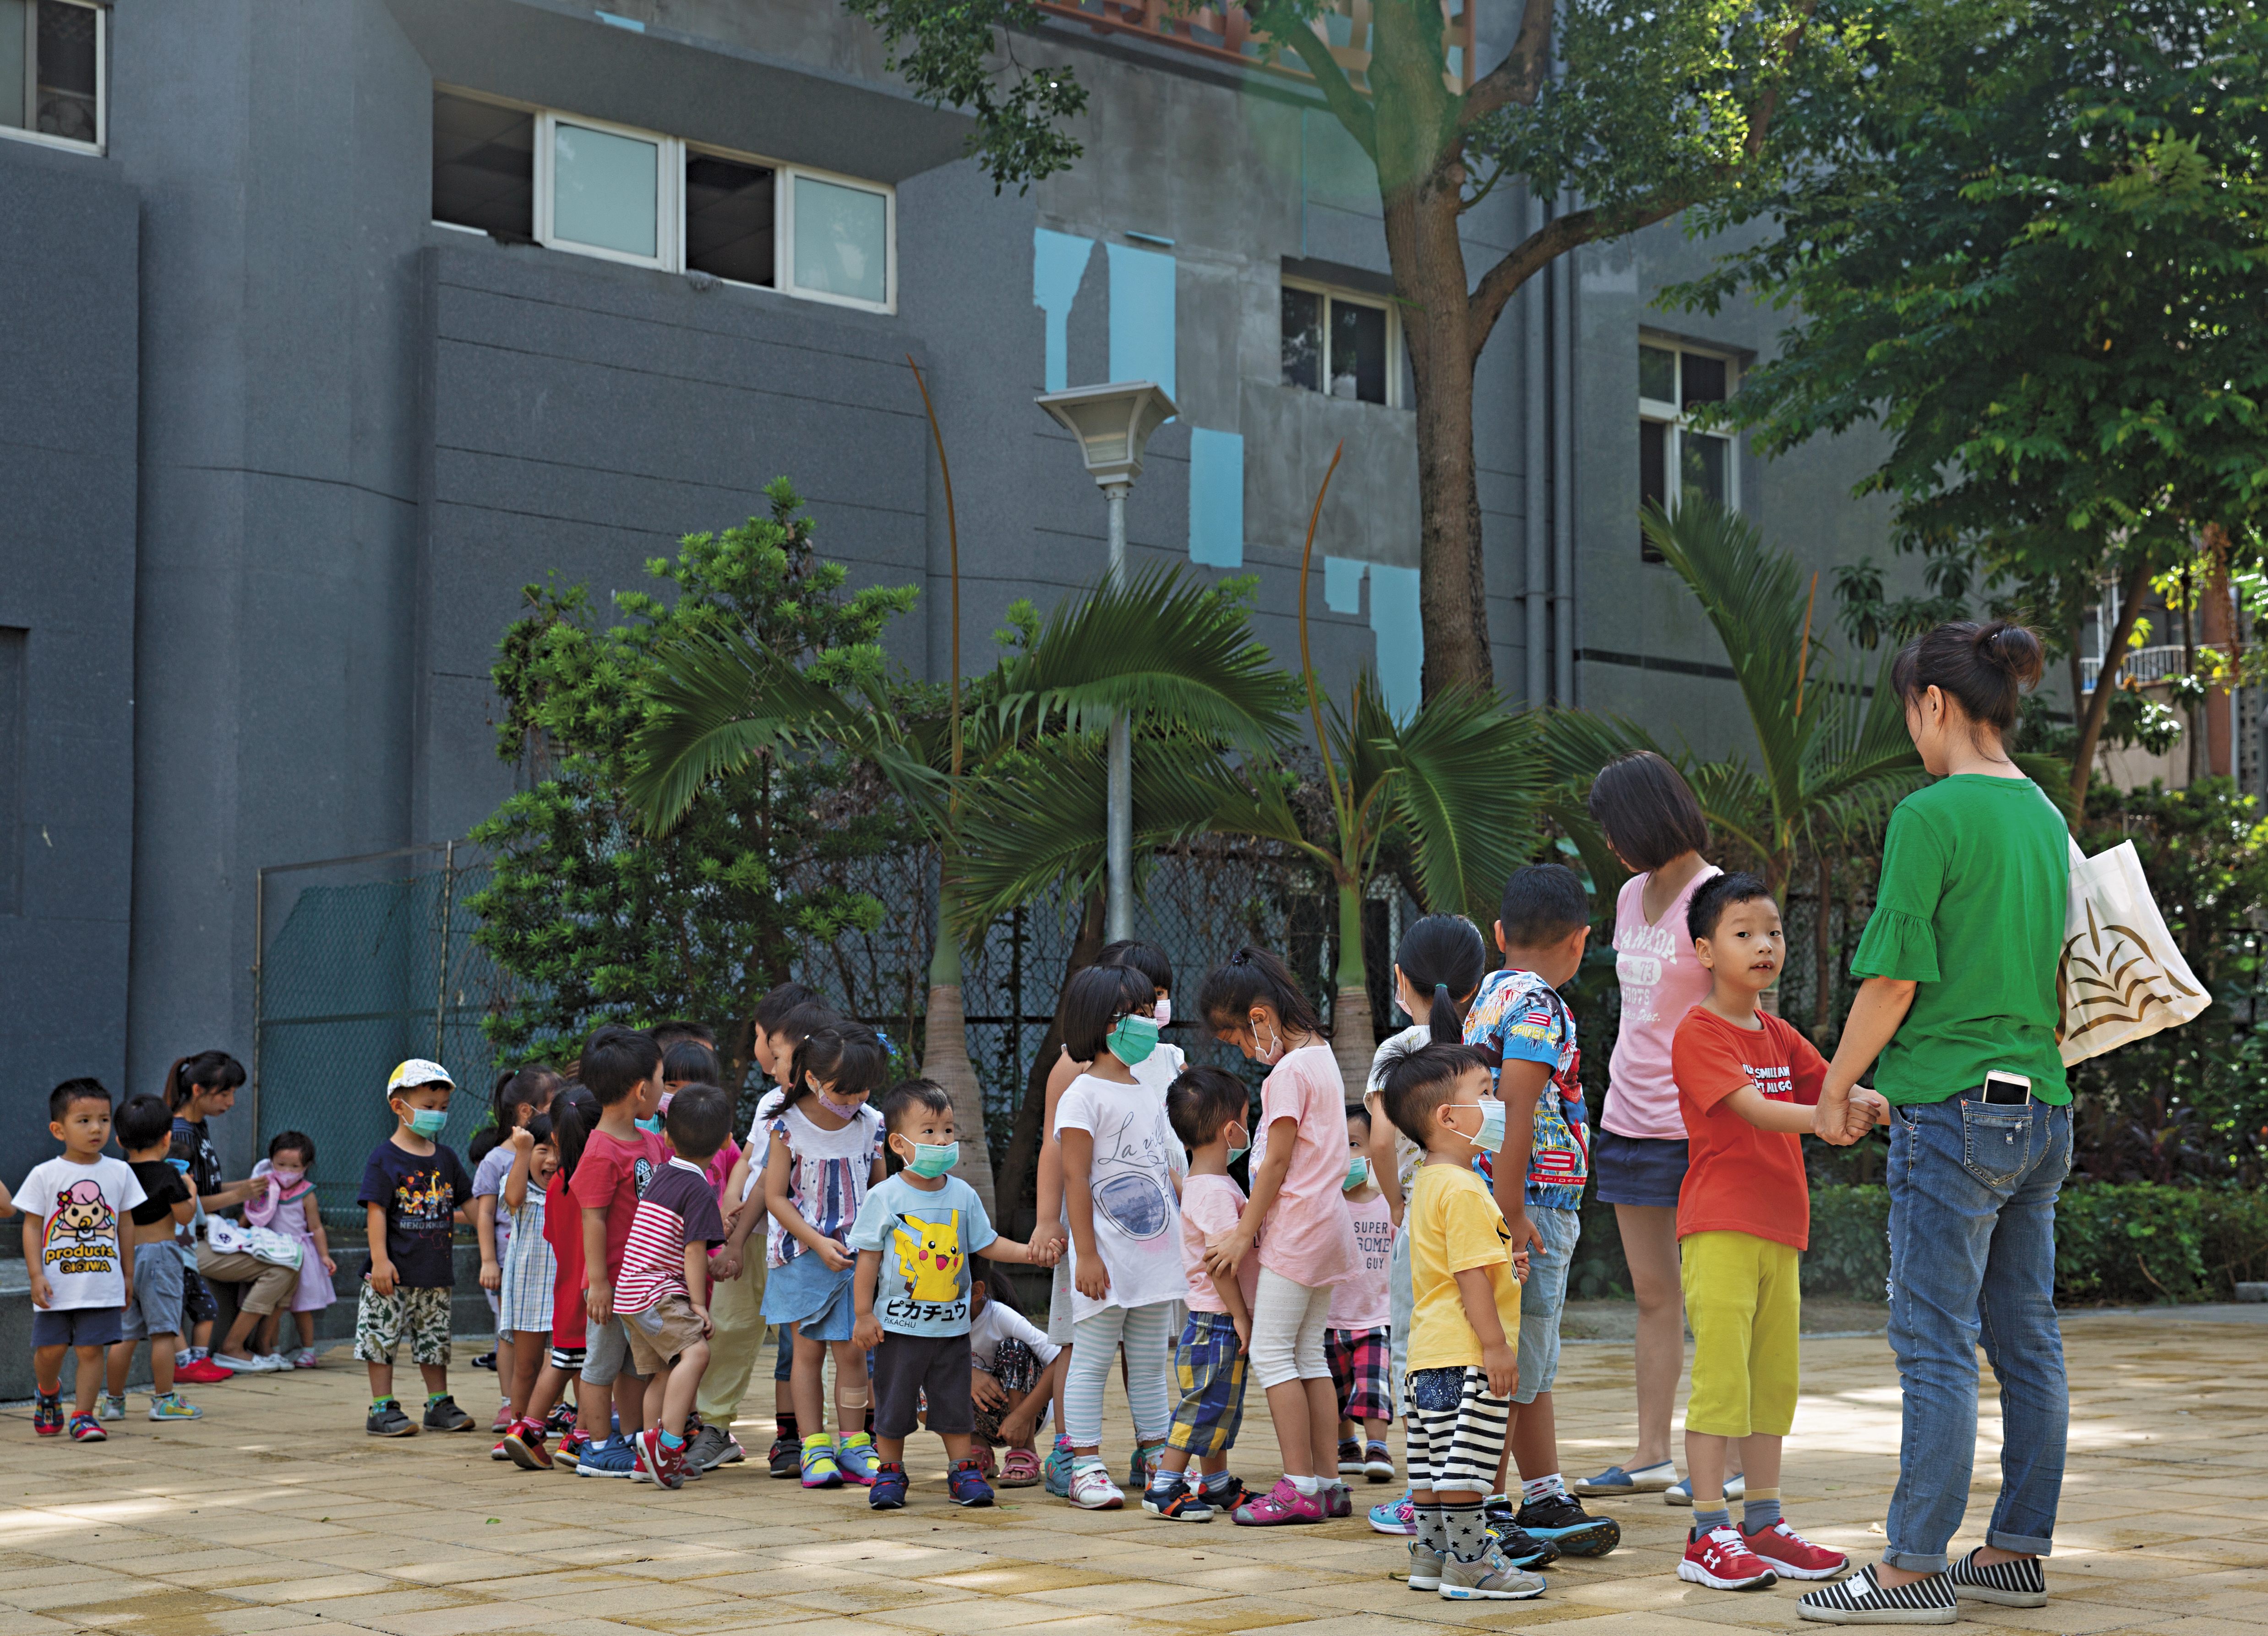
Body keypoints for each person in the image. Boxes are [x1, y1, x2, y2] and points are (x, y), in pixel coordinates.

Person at [1798, 623, 2072, 1625]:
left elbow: (1893, 980)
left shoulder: (1930, 814)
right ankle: (2014, 1552)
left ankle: (1912, 1570)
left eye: (1906, 711)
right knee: (2025, 1338)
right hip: (2041, 1107)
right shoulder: (2043, 814)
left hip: (1953, 1108)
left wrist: (1834, 1086)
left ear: (1932, 703)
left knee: (1934, 1343)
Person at [1668, 872, 1869, 1592]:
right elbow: (1753, 1107)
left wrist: (1879, 1102)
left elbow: (1833, 1087)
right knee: (1723, 1380)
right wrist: (1829, 1117)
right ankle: (1706, 1531)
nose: (1765, 945)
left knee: (1773, 1382)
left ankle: (1764, 1522)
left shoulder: (1779, 1033)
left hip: (1782, 1228)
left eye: (1774, 932)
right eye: (1744, 932)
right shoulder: (1699, 1032)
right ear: (1705, 950)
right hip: (1720, 1225)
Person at [1577, 750, 1724, 1504]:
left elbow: (1745, 1015)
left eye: (1613, 828)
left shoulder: (1718, 898)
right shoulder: (1631, 893)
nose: (1609, 844)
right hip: (1627, 1116)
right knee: (1653, 1294)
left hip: (1697, 1122)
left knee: (1718, 1296)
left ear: (1646, 817)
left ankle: (1731, 1459)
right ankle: (1650, 1454)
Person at [1375, 1037, 1543, 1602]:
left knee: (1430, 1467)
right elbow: (1470, 1277)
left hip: (1426, 1357)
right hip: (1467, 1354)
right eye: (1485, 1093)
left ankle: (1432, 1555)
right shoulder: (1466, 1188)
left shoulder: (1427, 1182)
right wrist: (1495, 1347)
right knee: (1467, 1469)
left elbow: (1455, 1265)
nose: (1496, 1104)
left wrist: (1507, 1269)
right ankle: (1472, 1564)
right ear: (1448, 1117)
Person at [1198, 945, 1359, 1526]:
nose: (1245, 1050)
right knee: (1307, 1351)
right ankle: (1327, 1483)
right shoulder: (1320, 1055)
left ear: (1260, 1017)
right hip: (1327, 1226)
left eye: (1239, 1038)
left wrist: (1244, 1233)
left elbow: (1275, 1162)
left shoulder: (1287, 1073)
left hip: (1297, 1230)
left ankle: (1298, 1487)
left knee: (1270, 1352)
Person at [849, 1078, 1058, 1510]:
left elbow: (988, 1243)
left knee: (953, 1402)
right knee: (893, 1402)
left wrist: (1031, 1252)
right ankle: (890, 1472)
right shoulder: (884, 1197)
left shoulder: (963, 1194)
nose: (943, 1139)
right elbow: (868, 1260)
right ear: (899, 1143)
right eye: (929, 1131)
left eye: (948, 1129)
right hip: (898, 1328)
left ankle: (962, 1470)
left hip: (951, 1330)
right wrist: (863, 1314)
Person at [1035, 940, 1185, 1498]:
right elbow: (1076, 1178)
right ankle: (1084, 1463)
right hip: (1105, 1258)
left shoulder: (1146, 1088)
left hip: (1155, 1257)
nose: (1146, 1022)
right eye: (1133, 1014)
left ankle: (1156, 1455)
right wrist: (1087, 1254)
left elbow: (1167, 1165)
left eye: (1148, 1011)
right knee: (1092, 1359)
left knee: (1148, 1363)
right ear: (1098, 1022)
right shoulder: (1081, 1094)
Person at [1359, 914, 1490, 1541]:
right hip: (1469, 1209)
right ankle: (1467, 1489)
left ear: (1399, 978)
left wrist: (1394, 1201)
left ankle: (1422, 1494)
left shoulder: (1398, 1052)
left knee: (1417, 1354)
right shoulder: (1476, 1051)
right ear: (1477, 984)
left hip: (1420, 1221)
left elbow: (1382, 1142)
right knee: (1468, 1351)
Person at [759, 1021, 889, 1488]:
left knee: (853, 1353)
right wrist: (816, 1241)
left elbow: (880, 1189)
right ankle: (814, 1446)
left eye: (863, 1089)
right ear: (812, 1078)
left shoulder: (872, 1123)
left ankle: (855, 1445)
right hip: (801, 1257)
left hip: (856, 1260)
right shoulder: (786, 1126)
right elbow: (774, 1196)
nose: (854, 1099)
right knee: (807, 1353)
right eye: (844, 1090)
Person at [714, 988, 835, 1477]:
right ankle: (755, 1432)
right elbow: (749, 1159)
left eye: (764, 1039)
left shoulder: (829, 1112)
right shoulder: (772, 1102)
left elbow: (771, 1183)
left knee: (803, 1344)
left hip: (798, 1243)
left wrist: (736, 1236)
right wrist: (730, 1195)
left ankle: (809, 1437)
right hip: (764, 1238)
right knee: (758, 1334)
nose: (761, 1049)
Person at [1143, 1064, 1258, 1522]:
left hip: (1216, 1318)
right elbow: (1220, 1262)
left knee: (1220, 1405)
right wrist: (1241, 1316)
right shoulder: (1212, 1190)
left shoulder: (1210, 1183)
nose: (1248, 1129)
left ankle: (1216, 1482)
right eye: (1246, 1120)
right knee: (1204, 1403)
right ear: (1230, 1130)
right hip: (1217, 1319)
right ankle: (1165, 1485)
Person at [618, 1083, 734, 1489]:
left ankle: (646, 1459)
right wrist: (699, 1304)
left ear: (667, 1137)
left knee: (664, 1373)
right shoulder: (700, 1188)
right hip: (657, 1291)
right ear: (726, 1141)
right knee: (697, 1352)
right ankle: (667, 1447)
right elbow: (693, 1250)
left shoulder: (663, 1174)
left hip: (632, 1293)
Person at [356, 1059, 477, 1436]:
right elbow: (376, 1211)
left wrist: (496, 1227)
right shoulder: (384, 1158)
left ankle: (438, 1403)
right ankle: (381, 1407)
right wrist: (380, 1260)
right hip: (390, 1274)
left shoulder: (447, 1158)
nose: (437, 1114)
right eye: (428, 1106)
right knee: (381, 1338)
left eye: (443, 1107)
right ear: (399, 1106)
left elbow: (470, 1204)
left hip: (435, 1271)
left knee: (435, 1341)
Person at [569, 1026, 671, 1477]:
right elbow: (592, 1219)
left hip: (643, 1282)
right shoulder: (600, 1150)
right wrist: (599, 1282)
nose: (665, 1090)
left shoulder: (649, 1141)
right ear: (642, 1090)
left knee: (635, 1365)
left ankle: (631, 1439)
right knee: (601, 1364)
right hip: (611, 1284)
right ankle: (595, 1446)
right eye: (663, 1080)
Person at [21, 1080, 145, 1441]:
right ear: (58, 1129)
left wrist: (128, 1275)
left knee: (92, 1350)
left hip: (101, 1283)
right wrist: (35, 1275)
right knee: (51, 1351)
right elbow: (32, 1226)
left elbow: (125, 1223)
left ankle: (84, 1415)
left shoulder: (120, 1171)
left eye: (104, 1119)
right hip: (56, 1286)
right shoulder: (44, 1174)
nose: (96, 1128)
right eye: (84, 1120)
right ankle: (48, 1393)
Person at [166, 1050, 291, 1379]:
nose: (232, 1102)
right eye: (225, 1093)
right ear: (198, 1091)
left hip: (210, 1232)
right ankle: (233, 1348)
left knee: (293, 1256)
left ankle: (260, 1346)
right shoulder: (180, 1133)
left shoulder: (197, 1125)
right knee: (284, 1267)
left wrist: (249, 1187)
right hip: (188, 1242)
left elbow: (205, 1188)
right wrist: (239, 1194)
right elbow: (182, 1204)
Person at [504, 1085, 599, 1470]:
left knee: (561, 1361)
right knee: (592, 1369)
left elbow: (551, 1234)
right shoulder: (594, 1178)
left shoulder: (559, 1183)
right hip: (593, 1294)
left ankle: (527, 1428)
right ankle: (581, 1436)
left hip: (563, 1294)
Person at [104, 1094, 202, 1421]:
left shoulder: (116, 1174)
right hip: (160, 1255)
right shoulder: (169, 1174)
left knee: (125, 1334)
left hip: (122, 1259)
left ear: (119, 1140)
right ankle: (164, 1401)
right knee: (164, 1332)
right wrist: (191, 1190)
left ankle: (113, 1402)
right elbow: (185, 1216)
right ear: (167, 1138)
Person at [473, 1066, 561, 1429]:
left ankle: (553, 1410)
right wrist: (488, 1261)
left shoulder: (563, 1174)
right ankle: (513, 1409)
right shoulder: (504, 1165)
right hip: (520, 1276)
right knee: (516, 1346)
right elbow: (497, 1207)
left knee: (561, 1350)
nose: (551, 1158)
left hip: (558, 1278)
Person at [1329, 1104, 1396, 1485]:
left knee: (1373, 1385)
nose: (1345, 1154)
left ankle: (1378, 1447)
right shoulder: (1328, 1206)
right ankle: (1347, 1446)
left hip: (1375, 1316)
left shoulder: (1389, 1205)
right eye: (1338, 1144)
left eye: (1354, 1144)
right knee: (1334, 1391)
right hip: (1330, 1317)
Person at [490, 1113, 559, 1464]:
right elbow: (513, 1198)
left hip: (563, 1290)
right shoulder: (519, 1184)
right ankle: (518, 1430)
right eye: (542, 1150)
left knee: (576, 1364)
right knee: (526, 1365)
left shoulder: (572, 1186)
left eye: (559, 1151)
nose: (552, 1160)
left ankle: (581, 1432)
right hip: (529, 1291)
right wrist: (522, 1151)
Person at [246, 1132, 336, 1367]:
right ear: (271, 1161)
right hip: (271, 1252)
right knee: (273, 1306)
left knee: (302, 1308)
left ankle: (309, 1351)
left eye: (295, 1167)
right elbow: (251, 1212)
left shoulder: (307, 1193)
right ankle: (273, 1350)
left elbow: (316, 1227)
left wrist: (325, 1256)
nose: (287, 1171)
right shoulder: (265, 1186)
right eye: (281, 1164)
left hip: (300, 1255)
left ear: (307, 1166)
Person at [966, 1276, 1065, 1486]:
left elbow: (1060, 1359)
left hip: (1026, 1413)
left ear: (976, 1292)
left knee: (1015, 1348)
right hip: (978, 1419)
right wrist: (968, 1374)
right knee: (917, 1367)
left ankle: (1024, 1449)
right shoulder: (935, 1318)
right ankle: (977, 1445)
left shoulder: (998, 1315)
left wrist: (1021, 1416)